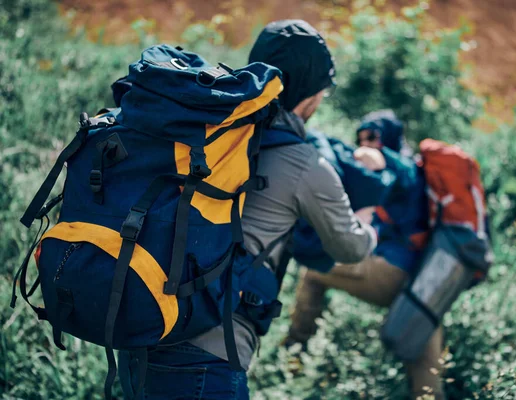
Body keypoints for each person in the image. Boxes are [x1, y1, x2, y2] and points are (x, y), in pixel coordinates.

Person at [118, 20, 377, 399]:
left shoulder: (208, 130)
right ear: (311, 95)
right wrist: (371, 218)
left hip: (140, 336)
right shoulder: (304, 162)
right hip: (208, 357)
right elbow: (350, 249)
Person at [286, 111, 446, 400]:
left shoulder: (403, 168)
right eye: (361, 138)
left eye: (372, 137)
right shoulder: (412, 172)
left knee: (314, 271)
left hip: (393, 272)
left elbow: (382, 162)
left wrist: (360, 152)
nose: (366, 144)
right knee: (427, 370)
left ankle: (294, 356)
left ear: (390, 138)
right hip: (424, 284)